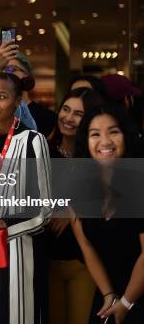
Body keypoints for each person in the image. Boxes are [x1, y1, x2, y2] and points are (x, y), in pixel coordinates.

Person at [0, 72, 52, 324]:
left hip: (22, 251)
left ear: (18, 101)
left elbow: (44, 209)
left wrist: (6, 224)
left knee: (21, 313)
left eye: (1, 97)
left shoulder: (33, 141)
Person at [71, 104, 144, 323]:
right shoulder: (79, 189)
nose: (105, 142)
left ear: (127, 136)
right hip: (110, 296)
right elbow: (87, 246)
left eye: (114, 132)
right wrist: (110, 296)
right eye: (95, 134)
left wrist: (126, 302)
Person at [46, 87, 105, 324]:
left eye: (78, 114)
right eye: (66, 110)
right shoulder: (44, 151)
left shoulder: (96, 157)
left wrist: (71, 212)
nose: (68, 118)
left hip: (83, 262)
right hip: (47, 259)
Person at [0, 43, 56, 137]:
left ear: (27, 76)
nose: (6, 74)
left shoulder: (48, 117)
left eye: (12, 69)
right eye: (2, 70)